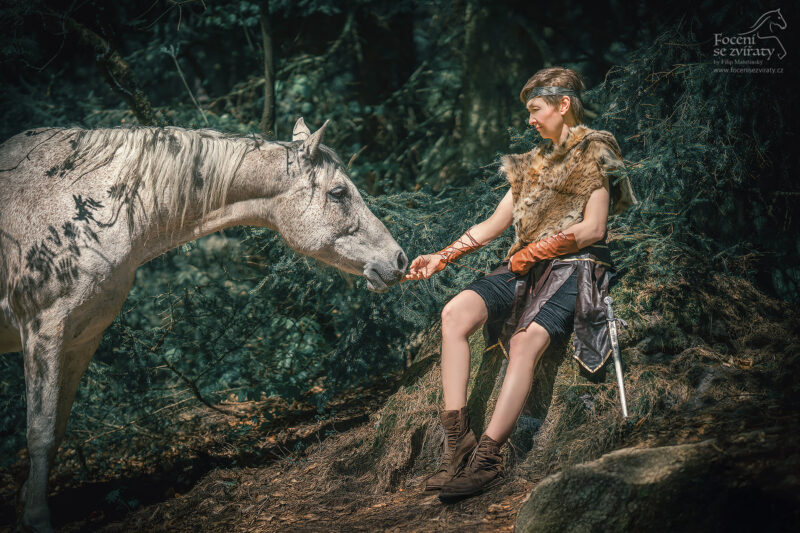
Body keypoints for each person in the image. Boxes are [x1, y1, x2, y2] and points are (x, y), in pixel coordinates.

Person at [404, 66, 638, 502]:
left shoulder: (595, 152)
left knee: (525, 342)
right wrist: (442, 256)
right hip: (522, 268)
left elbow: (594, 229)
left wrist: (538, 249)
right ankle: (458, 443)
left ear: (563, 105)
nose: (530, 119)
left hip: (575, 266)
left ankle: (488, 458)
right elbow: (493, 225)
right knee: (455, 313)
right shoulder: (530, 165)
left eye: (536, 109)